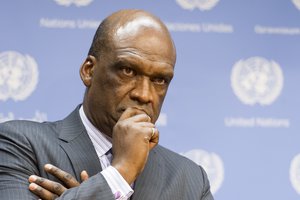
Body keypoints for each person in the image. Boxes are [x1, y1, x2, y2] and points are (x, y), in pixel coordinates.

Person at [0, 9, 214, 200]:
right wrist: (121, 173)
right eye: (127, 71)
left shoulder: (190, 179)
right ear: (89, 71)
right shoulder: (19, 144)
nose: (144, 95)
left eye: (160, 80)